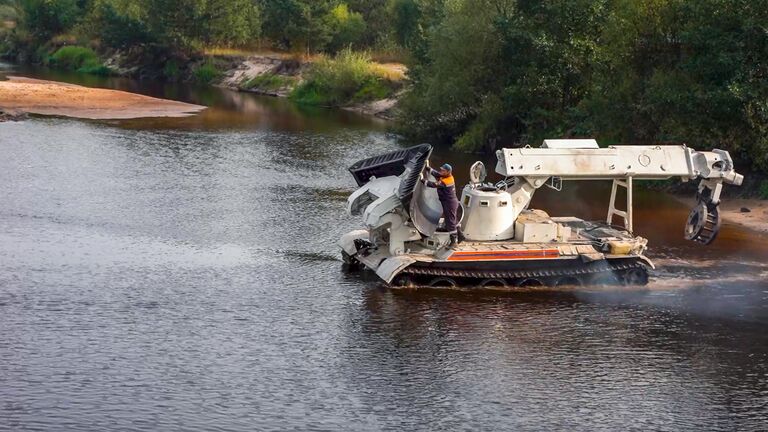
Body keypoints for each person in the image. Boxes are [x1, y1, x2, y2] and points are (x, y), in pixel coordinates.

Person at [422, 163, 465, 247]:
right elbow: (437, 174)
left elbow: (434, 185)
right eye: (441, 169)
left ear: (448, 172)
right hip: (450, 202)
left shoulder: (446, 181)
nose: (441, 171)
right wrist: (428, 168)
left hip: (449, 204)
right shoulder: (446, 176)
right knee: (453, 219)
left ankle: (454, 242)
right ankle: (461, 236)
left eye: (443, 170)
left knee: (450, 223)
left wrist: (422, 180)